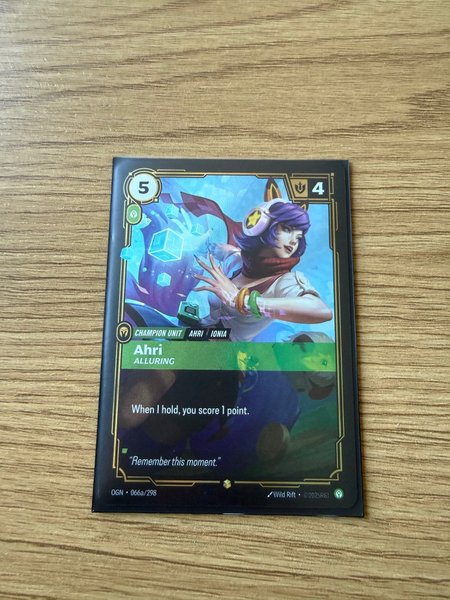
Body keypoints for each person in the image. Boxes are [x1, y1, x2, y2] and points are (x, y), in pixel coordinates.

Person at [194, 199, 332, 341]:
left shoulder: (284, 281)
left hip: (222, 348)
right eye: (287, 229)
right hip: (199, 330)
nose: (293, 241)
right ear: (262, 224)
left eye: (298, 237)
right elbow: (225, 251)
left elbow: (321, 311)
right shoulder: (238, 261)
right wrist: (209, 247)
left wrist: (242, 301)